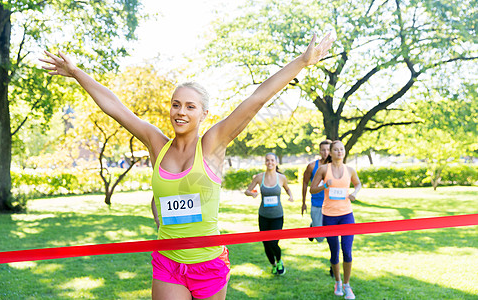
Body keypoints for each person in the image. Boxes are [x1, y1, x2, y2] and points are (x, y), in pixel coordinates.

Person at [40, 32, 334, 300]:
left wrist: (303, 61)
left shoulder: (212, 144)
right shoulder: (157, 143)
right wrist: (77, 73)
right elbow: (116, 107)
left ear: (204, 113)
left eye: (190, 106)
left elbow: (256, 99)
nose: (180, 112)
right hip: (168, 263)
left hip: (208, 264)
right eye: (176, 104)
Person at [310, 140, 361, 300]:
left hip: (346, 215)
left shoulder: (350, 170)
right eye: (336, 149)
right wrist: (325, 186)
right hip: (329, 216)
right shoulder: (324, 169)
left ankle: (347, 285)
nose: (339, 152)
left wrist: (355, 193)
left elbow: (358, 184)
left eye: (342, 149)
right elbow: (312, 189)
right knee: (334, 252)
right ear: (330, 153)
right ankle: (337, 282)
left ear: (344, 152)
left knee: (347, 250)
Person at [244, 153, 294, 275]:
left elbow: (287, 188)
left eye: (272, 160)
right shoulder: (259, 177)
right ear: (265, 162)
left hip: (277, 216)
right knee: (266, 244)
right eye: (267, 160)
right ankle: (273, 265)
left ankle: (280, 261)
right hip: (263, 216)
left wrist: (291, 196)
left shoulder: (281, 178)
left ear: (276, 162)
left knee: (273, 242)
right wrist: (252, 194)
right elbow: (247, 191)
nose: (270, 162)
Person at [301, 139, 331, 243]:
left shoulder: (335, 167)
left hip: (331, 204)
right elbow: (305, 183)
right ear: (319, 152)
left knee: (332, 234)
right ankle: (313, 225)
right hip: (317, 203)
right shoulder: (312, 166)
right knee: (320, 238)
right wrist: (303, 202)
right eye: (323, 150)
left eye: (328, 150)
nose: (326, 153)